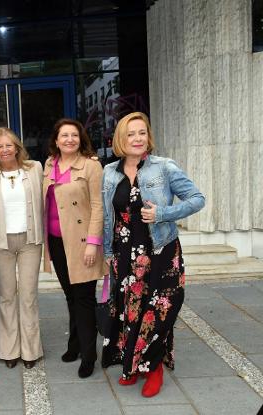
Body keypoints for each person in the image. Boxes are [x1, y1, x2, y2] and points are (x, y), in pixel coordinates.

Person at [101, 112, 205, 397]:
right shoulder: (110, 172)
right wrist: (108, 251)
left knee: (160, 308)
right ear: (120, 139)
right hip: (126, 253)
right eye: (131, 133)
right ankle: (132, 366)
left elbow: (197, 199)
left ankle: (154, 367)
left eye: (142, 133)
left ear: (148, 137)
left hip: (160, 249)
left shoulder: (164, 167)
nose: (137, 138)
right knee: (131, 309)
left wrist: (163, 213)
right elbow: (106, 214)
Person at [42, 118, 105, 378]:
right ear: (56, 140)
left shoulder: (91, 166)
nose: (69, 139)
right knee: (70, 296)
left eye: (74, 135)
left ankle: (89, 356)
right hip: (56, 241)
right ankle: (75, 345)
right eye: (64, 135)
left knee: (84, 299)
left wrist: (93, 243)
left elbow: (98, 206)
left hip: (81, 243)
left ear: (81, 139)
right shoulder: (49, 164)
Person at [0, 127, 44, 370]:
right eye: (0, 146)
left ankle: (30, 349)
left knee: (28, 296)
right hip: (1, 242)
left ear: (17, 147)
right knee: (7, 296)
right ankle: (9, 349)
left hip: (30, 241)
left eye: (9, 145)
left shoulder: (34, 168)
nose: (5, 150)